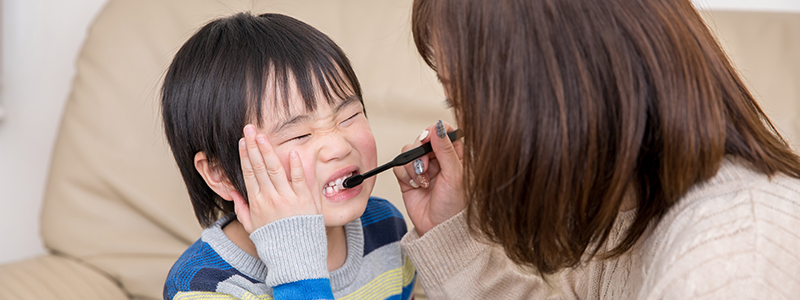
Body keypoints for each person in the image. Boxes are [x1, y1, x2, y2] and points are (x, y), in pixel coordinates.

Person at [393, 0, 800, 299]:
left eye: (466, 102)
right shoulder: (627, 214)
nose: (472, 134)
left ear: (559, 85)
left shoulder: (729, 267)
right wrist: (453, 237)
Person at [160, 12, 415, 300]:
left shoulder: (384, 227)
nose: (339, 147)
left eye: (349, 116)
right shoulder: (201, 286)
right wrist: (298, 271)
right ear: (220, 173)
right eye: (298, 135)